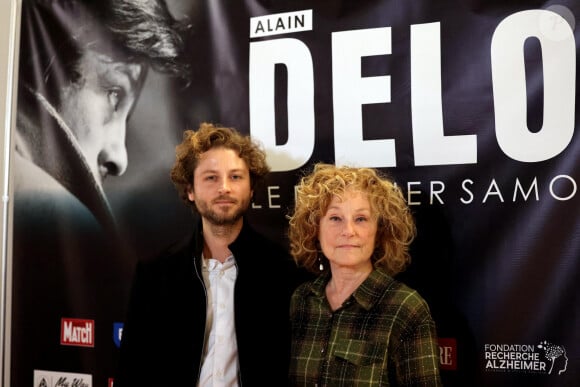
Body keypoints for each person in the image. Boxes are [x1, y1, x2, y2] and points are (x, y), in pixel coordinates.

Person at [115, 122, 307, 386]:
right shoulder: (155, 274)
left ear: (251, 189)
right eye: (211, 177)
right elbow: (133, 370)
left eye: (236, 176)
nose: (224, 188)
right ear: (190, 190)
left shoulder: (284, 272)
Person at [14, 0, 190, 231]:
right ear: (43, 67)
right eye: (113, 96)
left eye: (127, 119)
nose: (120, 159)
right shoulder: (60, 226)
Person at [287, 163, 443, 386]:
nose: (348, 231)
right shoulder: (301, 301)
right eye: (335, 218)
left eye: (361, 219)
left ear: (379, 231)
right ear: (315, 229)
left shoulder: (405, 308)